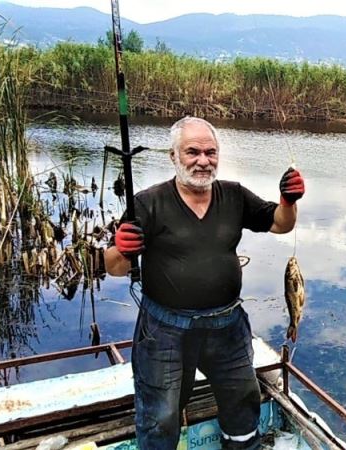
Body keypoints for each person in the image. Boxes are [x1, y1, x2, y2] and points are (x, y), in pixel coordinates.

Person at [104, 116, 305, 450]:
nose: (202, 160)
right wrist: (119, 248)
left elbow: (280, 225)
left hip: (227, 326)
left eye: (210, 152)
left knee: (243, 400)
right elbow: (115, 267)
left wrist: (288, 201)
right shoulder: (148, 202)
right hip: (164, 329)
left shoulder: (234, 196)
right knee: (161, 412)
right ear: (174, 157)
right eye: (192, 152)